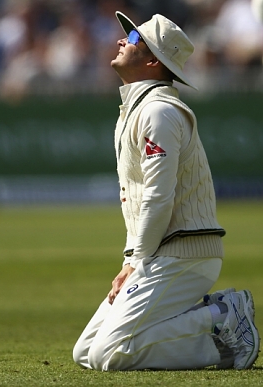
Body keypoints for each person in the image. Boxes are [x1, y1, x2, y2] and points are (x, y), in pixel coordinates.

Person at [72, 11, 260, 370]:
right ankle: (211, 316)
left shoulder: (159, 111)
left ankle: (221, 318)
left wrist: (135, 262)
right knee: (86, 352)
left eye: (132, 39)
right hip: (162, 253)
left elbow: (160, 196)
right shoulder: (138, 108)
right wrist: (131, 261)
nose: (120, 41)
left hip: (184, 254)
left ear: (153, 60)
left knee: (107, 356)